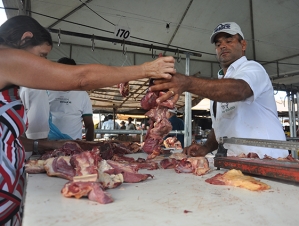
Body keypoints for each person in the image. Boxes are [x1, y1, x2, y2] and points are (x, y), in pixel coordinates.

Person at [0, 15, 175, 225]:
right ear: (25, 38)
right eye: (41, 55)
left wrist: (53, 144)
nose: (42, 63)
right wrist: (146, 69)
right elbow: (81, 78)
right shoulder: (5, 58)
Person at [151, 22, 289, 159]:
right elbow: (221, 125)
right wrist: (205, 147)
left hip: (268, 158)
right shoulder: (221, 81)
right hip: (238, 160)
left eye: (229, 41)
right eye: (218, 44)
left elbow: (240, 90)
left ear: (243, 45)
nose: (223, 46)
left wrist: (187, 82)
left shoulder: (253, 68)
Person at [48, 57, 94, 141]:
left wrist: (89, 145)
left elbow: (89, 124)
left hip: (73, 146)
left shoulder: (82, 95)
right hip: (49, 143)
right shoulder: (48, 91)